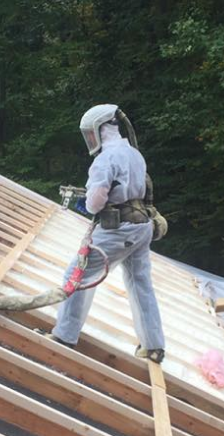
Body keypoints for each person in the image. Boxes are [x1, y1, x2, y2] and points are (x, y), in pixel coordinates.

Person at [49, 104, 166, 363]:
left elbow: (95, 202)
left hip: (118, 229)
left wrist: (88, 204)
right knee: (140, 284)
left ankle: (64, 336)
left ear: (99, 130)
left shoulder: (105, 159)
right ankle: (154, 346)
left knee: (76, 276)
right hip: (142, 227)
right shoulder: (135, 154)